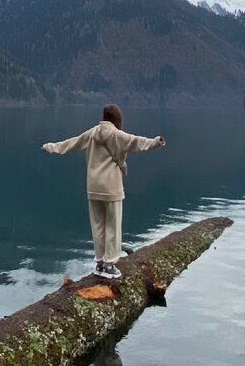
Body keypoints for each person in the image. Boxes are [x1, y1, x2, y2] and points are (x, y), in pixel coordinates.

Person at [42, 104, 165, 279]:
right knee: (113, 226)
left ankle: (99, 263)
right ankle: (110, 265)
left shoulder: (92, 133)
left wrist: (51, 146)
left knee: (98, 225)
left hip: (93, 186)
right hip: (111, 187)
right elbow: (137, 142)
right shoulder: (117, 134)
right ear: (117, 119)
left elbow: (72, 143)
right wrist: (156, 142)